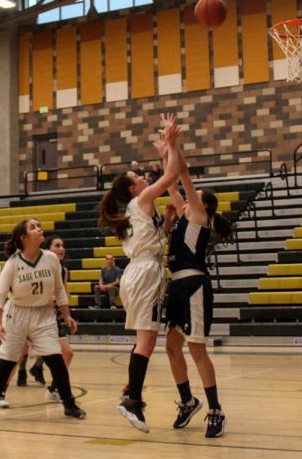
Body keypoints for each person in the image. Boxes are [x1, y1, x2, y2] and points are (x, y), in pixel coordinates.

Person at [99, 113, 184, 433]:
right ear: (134, 188)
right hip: (144, 275)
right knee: (147, 341)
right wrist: (170, 148)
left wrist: (167, 223)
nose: (145, 178)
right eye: (140, 177)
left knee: (144, 340)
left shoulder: (136, 211)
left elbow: (151, 240)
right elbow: (173, 173)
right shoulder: (142, 200)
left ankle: (129, 390)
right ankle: (131, 400)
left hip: (140, 273)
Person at [0, 219, 85, 422]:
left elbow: (59, 290)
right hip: (17, 314)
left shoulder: (51, 259)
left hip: (43, 314)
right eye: (34, 226)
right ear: (24, 237)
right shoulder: (12, 263)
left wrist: (67, 315)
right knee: (7, 362)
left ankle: (69, 404)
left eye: (39, 225)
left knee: (56, 360)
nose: (39, 228)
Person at [160, 146, 231, 438]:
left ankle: (216, 410)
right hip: (175, 284)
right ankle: (188, 402)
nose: (189, 197)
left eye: (193, 195)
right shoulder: (184, 215)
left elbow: (182, 175)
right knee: (171, 347)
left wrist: (174, 146)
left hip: (194, 285)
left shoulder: (198, 215)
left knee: (196, 349)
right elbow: (170, 181)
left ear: (202, 204)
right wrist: (165, 151)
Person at [40, 234, 75, 402]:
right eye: (57, 245)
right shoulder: (39, 266)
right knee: (16, 355)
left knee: (67, 353)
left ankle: (54, 388)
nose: (61, 248)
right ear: (47, 250)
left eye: (62, 245)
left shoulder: (63, 270)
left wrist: (65, 311)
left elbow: (63, 290)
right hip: (31, 315)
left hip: (51, 317)